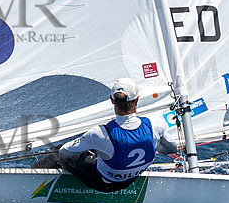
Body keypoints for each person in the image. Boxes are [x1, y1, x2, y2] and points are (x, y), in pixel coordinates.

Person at [45, 78, 184, 192]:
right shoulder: (155, 124)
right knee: (100, 149)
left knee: (57, 152)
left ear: (111, 100)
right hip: (130, 180)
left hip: (103, 184)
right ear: (137, 100)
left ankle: (32, 180)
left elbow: (65, 152)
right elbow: (172, 149)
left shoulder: (99, 133)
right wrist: (152, 146)